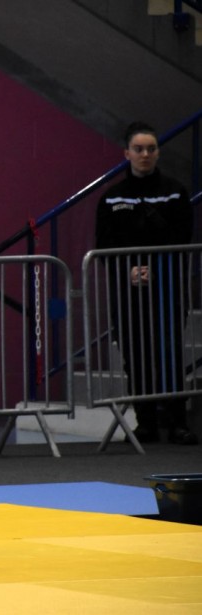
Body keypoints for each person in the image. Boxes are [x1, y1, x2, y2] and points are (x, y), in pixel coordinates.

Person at [95, 121, 198, 446]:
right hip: (128, 293)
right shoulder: (112, 198)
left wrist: (154, 268)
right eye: (138, 149)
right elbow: (105, 244)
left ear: (157, 152)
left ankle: (177, 423)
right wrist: (128, 272)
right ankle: (146, 424)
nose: (145, 154)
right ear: (127, 153)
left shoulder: (174, 192)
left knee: (169, 352)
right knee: (135, 355)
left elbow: (181, 236)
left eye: (151, 149)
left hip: (167, 288)